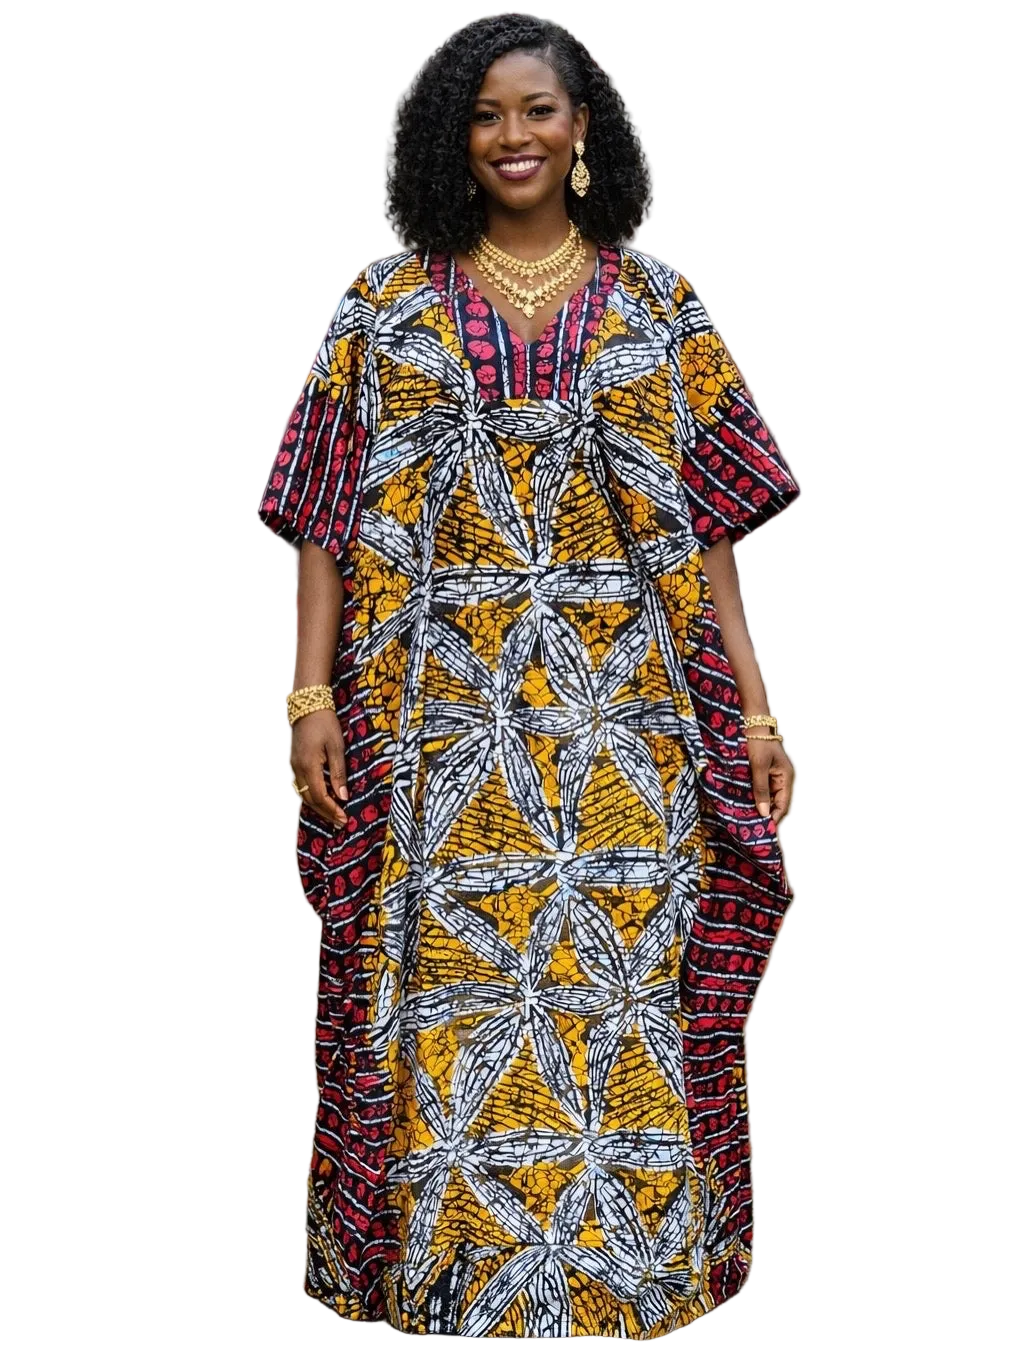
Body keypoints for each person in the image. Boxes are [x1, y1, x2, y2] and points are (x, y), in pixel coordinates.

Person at [257, 12, 801, 1340]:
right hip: (435, 731)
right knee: (439, 1004)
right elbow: (324, 512)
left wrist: (757, 708)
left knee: (622, 1000)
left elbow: (710, 536)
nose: (514, 137)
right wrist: (310, 695)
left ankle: (631, 1275)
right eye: (487, 115)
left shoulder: (660, 305)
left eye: (538, 110)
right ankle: (438, 1279)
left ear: (583, 130)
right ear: (451, 140)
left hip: (629, 734)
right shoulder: (382, 307)